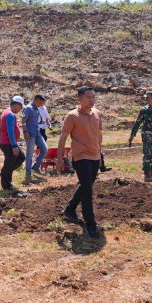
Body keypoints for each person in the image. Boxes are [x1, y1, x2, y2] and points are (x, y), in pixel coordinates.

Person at [56, 86, 103, 238]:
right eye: (88, 97)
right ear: (80, 99)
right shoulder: (72, 116)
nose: (91, 100)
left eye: (93, 97)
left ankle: (70, 209)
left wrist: (100, 152)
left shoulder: (97, 113)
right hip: (81, 156)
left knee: (86, 185)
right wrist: (59, 159)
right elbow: (63, 137)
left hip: (95, 155)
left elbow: (99, 133)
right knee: (88, 190)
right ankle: (91, 224)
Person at [0, 96, 26, 191]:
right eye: (20, 107)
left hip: (8, 142)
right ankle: (7, 185)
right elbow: (10, 131)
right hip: (9, 143)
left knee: (20, 158)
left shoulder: (7, 112)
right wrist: (14, 146)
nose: (20, 109)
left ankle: (5, 172)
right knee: (10, 163)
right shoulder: (10, 115)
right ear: (17, 105)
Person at [22, 95, 48, 179]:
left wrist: (41, 121)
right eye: (40, 103)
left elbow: (34, 120)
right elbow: (23, 121)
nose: (41, 105)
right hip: (30, 134)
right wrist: (25, 132)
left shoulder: (36, 109)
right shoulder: (28, 108)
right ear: (36, 100)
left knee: (44, 149)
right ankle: (28, 174)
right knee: (29, 154)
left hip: (37, 132)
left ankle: (35, 166)